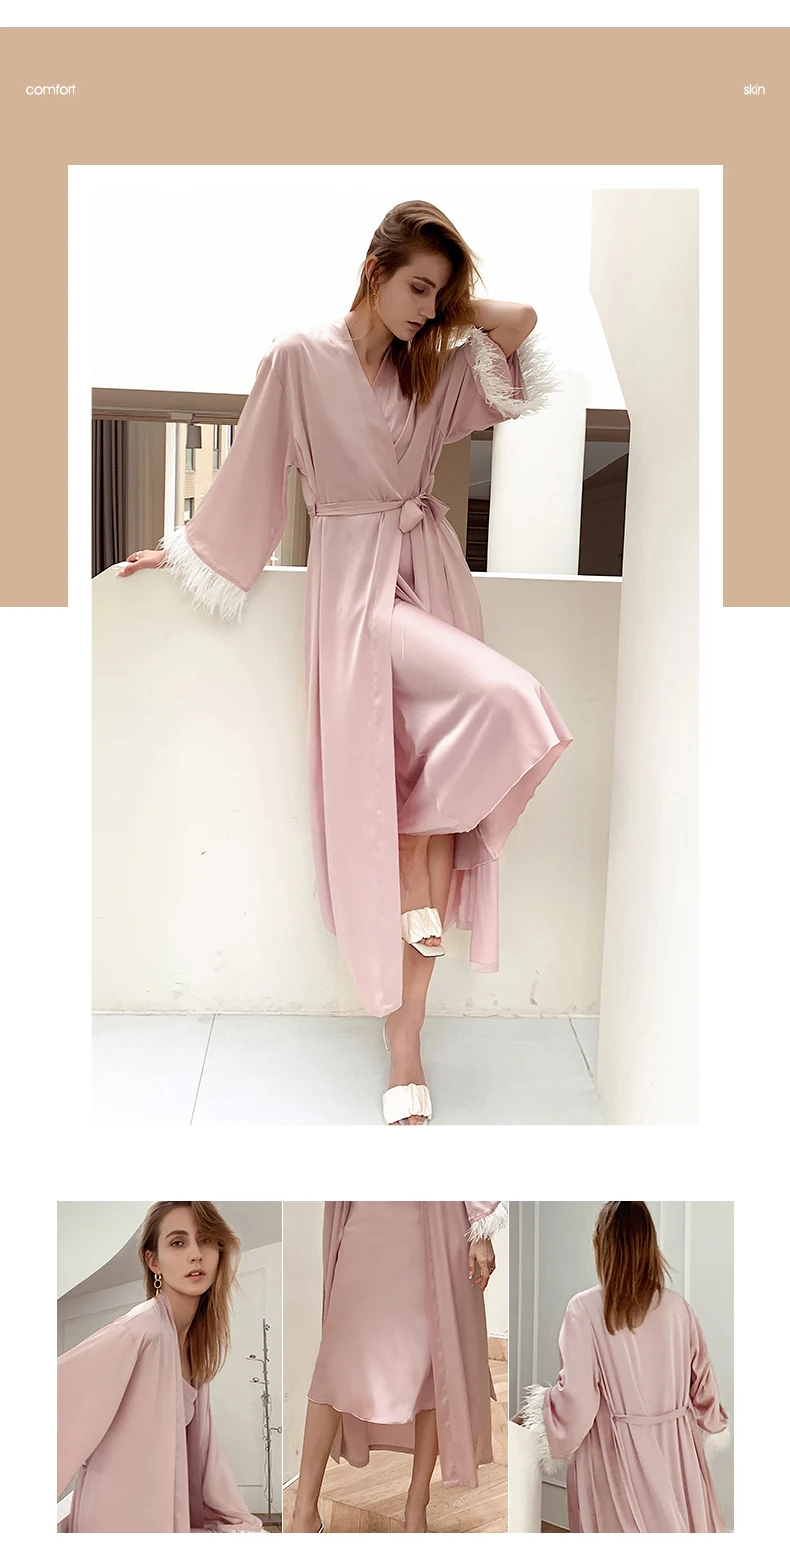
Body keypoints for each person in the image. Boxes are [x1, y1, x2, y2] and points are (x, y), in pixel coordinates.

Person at [117, 198, 572, 1126]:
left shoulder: (430, 365)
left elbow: (521, 326)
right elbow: (252, 466)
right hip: (354, 593)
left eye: (438, 294)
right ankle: (405, 1008)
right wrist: (187, 551)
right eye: (417, 287)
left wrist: (452, 312)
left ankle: (408, 1022)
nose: (425, 308)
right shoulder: (299, 357)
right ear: (373, 268)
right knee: (392, 789)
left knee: (504, 704)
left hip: (429, 577)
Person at [289, 1199, 508, 1533]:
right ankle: (304, 1513)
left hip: (437, 1217)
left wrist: (481, 1228)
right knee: (334, 1366)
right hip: (366, 1212)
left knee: (435, 1363)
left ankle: (416, 1505)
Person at [519, 1201, 730, 1533]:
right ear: (649, 1245)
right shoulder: (679, 1308)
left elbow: (577, 1399)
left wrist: (541, 1412)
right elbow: (703, 1383)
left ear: (600, 1245)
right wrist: (714, 1422)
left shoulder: (584, 1309)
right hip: (677, 1452)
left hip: (614, 1456)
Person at [57, 1201, 264, 1533]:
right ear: (154, 1261)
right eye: (178, 1242)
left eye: (206, 1240)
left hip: (161, 1509)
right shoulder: (142, 1330)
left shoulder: (193, 1345)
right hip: (118, 1518)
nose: (195, 1254)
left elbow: (204, 1455)